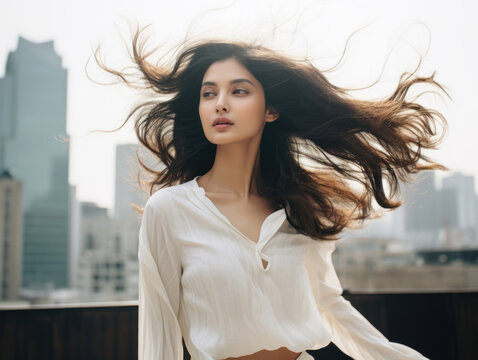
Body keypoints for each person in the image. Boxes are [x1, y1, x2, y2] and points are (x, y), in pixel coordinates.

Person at [96, 25, 448, 360]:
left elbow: (329, 306)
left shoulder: (298, 211)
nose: (220, 103)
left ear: (271, 110)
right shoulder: (169, 211)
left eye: (238, 91)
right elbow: (159, 336)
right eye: (208, 93)